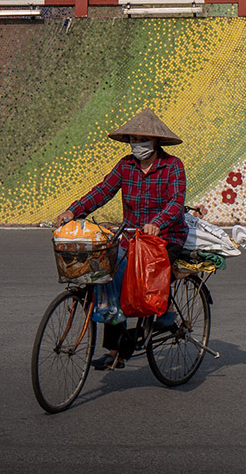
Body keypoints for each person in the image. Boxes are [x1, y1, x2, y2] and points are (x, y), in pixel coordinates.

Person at [54, 107, 187, 370]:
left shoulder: (172, 166)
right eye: (133, 140)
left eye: (142, 140)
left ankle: (166, 311)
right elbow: (103, 190)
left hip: (166, 236)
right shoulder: (126, 166)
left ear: (156, 141)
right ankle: (116, 350)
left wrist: (157, 224)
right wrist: (73, 210)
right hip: (131, 237)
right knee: (108, 276)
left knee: (145, 276)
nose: (137, 145)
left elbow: (176, 201)